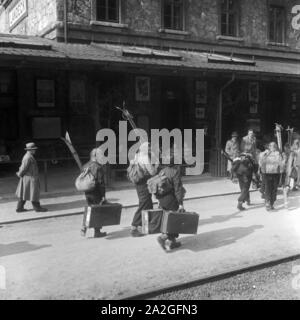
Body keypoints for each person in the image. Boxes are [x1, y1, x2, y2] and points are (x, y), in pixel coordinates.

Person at [156, 148, 185, 252]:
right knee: (174, 220)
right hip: (172, 200)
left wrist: (158, 200)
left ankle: (172, 242)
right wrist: (180, 203)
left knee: (166, 219)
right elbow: (178, 189)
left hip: (162, 200)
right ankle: (163, 238)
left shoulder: (161, 171)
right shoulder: (175, 172)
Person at [130, 142, 158, 237]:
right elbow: (152, 171)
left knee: (148, 203)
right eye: (149, 148)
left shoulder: (137, 155)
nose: (150, 149)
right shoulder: (145, 157)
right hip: (143, 182)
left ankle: (147, 224)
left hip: (138, 181)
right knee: (144, 203)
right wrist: (157, 164)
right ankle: (134, 226)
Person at [81, 148, 107, 238]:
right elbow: (101, 183)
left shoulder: (85, 165)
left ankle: (84, 226)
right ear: (95, 156)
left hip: (87, 191)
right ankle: (97, 232)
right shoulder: (98, 167)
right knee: (97, 211)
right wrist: (103, 195)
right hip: (96, 192)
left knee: (89, 209)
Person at [16, 142, 47, 213]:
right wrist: (20, 174)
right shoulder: (28, 157)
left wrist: (21, 175)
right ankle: (37, 208)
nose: (34, 150)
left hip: (28, 178)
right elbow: (23, 168)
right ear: (29, 150)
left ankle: (19, 208)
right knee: (34, 193)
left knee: (24, 193)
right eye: (33, 149)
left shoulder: (28, 156)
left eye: (34, 149)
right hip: (30, 178)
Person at [260, 142, 285, 211]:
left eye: (274, 146)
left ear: (276, 147)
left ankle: (271, 203)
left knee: (274, 189)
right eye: (271, 146)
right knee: (268, 188)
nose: (273, 147)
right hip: (267, 174)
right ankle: (268, 202)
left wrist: (282, 167)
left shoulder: (278, 153)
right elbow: (261, 161)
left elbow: (281, 163)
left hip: (276, 174)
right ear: (269, 147)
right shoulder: (265, 153)